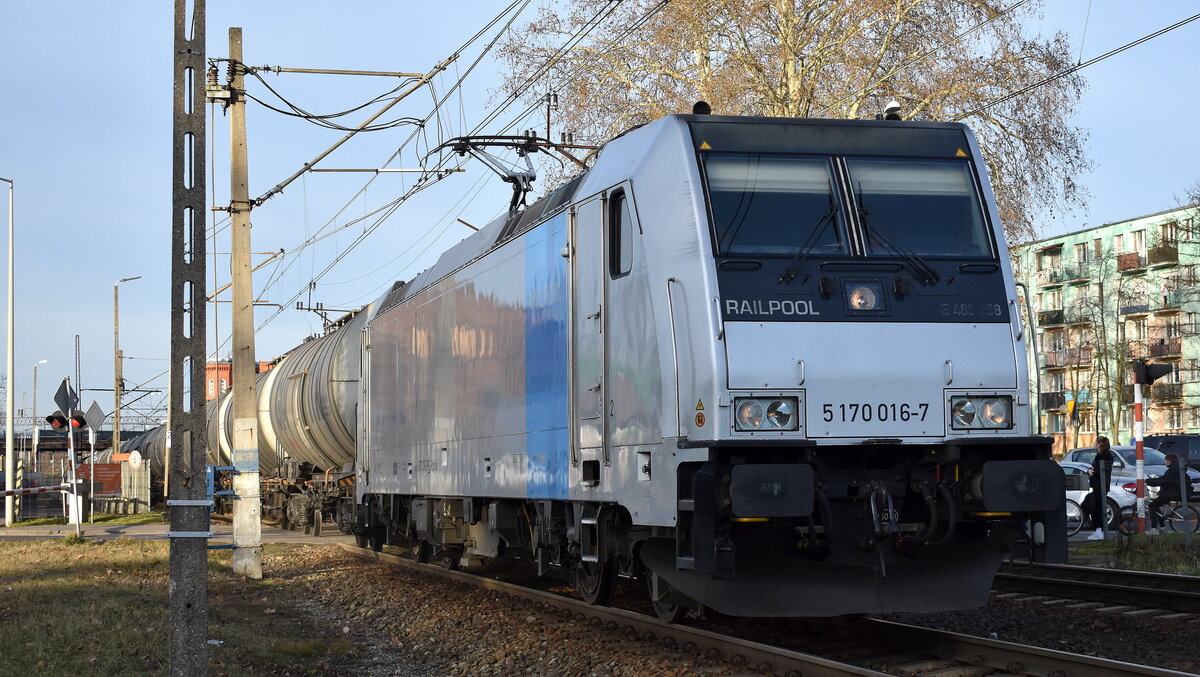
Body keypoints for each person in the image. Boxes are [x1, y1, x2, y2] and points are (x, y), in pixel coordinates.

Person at [1147, 453, 1193, 531]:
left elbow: (1164, 480)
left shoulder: (1172, 470)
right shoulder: (1177, 468)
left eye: (1166, 460)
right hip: (1176, 493)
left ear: (1170, 461)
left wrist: (1148, 481)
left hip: (1172, 494)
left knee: (1152, 505)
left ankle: (1154, 528)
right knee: (1156, 504)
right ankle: (1162, 525)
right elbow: (1165, 479)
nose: (1165, 462)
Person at [1087, 436, 1115, 540]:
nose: (1093, 444)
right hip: (1104, 484)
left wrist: (1089, 471)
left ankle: (1099, 531)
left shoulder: (1100, 456)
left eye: (1095, 442)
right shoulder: (1108, 455)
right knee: (1097, 507)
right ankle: (1099, 531)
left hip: (1098, 485)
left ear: (1099, 445)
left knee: (1095, 507)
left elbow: (1097, 471)